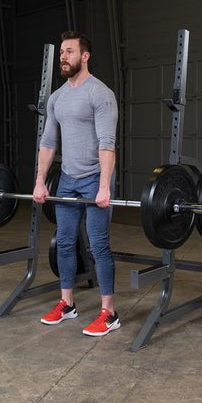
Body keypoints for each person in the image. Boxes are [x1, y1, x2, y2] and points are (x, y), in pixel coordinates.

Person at [33, 31, 120, 337]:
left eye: (69, 52)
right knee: (65, 243)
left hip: (95, 177)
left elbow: (107, 143)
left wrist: (105, 186)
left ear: (85, 56)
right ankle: (67, 304)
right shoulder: (57, 98)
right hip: (67, 180)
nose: (63, 57)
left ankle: (109, 313)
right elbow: (48, 143)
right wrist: (41, 182)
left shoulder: (100, 94)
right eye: (61, 52)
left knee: (98, 246)